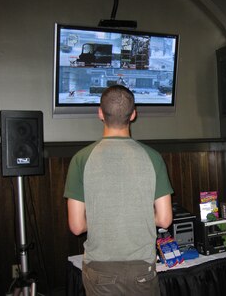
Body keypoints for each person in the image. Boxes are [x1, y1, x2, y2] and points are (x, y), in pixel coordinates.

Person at [64, 85, 173, 295]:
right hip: (142, 270)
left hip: (99, 271)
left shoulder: (81, 159)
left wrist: (104, 218)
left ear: (100, 113)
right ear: (133, 114)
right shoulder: (153, 157)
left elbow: (77, 227)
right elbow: (165, 219)